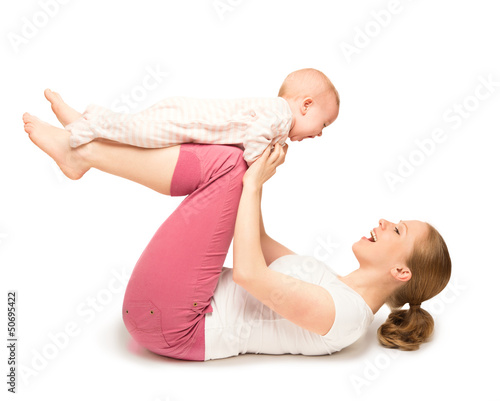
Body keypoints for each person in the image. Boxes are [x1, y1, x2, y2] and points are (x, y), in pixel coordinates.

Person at [22, 94, 451, 361]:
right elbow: (257, 242)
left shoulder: (347, 317)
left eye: (398, 230)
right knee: (234, 159)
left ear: (402, 273)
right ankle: (92, 140)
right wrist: (257, 176)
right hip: (176, 306)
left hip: (175, 324)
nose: (384, 222)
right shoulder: (328, 279)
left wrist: (251, 179)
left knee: (232, 165)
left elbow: (248, 272)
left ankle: (87, 149)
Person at [46, 68, 339, 165]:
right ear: (306, 105)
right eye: (324, 123)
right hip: (183, 121)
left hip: (183, 116)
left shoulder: (279, 117)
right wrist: (258, 163)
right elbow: (254, 139)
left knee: (132, 127)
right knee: (136, 134)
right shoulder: (279, 113)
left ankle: (87, 121)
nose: (321, 133)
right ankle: (86, 128)